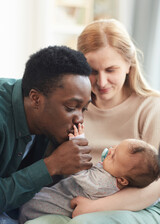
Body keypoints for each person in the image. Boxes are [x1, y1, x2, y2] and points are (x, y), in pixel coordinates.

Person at [25, 19, 160, 224]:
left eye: (111, 70)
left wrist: (92, 208)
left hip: (136, 204)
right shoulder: (71, 107)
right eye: (93, 71)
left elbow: (155, 186)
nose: (102, 82)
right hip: (72, 200)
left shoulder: (151, 108)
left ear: (129, 64)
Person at [0, 45, 93, 224]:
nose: (79, 120)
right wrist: (51, 166)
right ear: (36, 99)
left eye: (84, 109)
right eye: (71, 108)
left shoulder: (48, 125)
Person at [19, 124, 160, 224]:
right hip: (56, 196)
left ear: (122, 180)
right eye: (115, 147)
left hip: (51, 206)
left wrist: (77, 143)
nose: (109, 150)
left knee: (31, 206)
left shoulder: (102, 184)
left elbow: (80, 173)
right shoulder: (112, 173)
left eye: (113, 156)